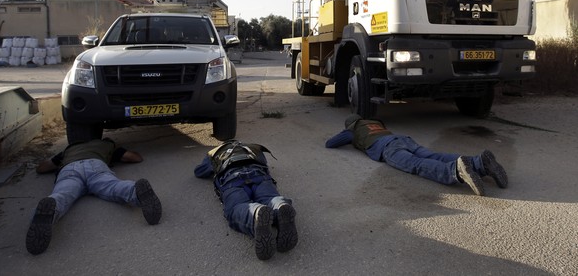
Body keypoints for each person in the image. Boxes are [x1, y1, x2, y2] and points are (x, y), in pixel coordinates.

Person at [26, 138, 162, 255]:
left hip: (69, 167)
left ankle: (50, 208)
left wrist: (56, 161)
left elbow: (42, 168)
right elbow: (134, 158)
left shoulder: (69, 150)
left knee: (62, 194)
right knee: (112, 186)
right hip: (95, 165)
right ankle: (135, 191)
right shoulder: (106, 145)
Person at [325, 114, 508, 196]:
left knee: (416, 164)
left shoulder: (352, 129)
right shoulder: (373, 123)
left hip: (388, 148)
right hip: (403, 139)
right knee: (434, 156)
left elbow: (330, 144)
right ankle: (480, 162)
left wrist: (348, 134)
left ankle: (456, 172)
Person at [194, 139, 298, 261]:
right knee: (269, 198)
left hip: (232, 179)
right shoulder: (253, 147)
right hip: (259, 176)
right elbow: (263, 162)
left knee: (236, 207)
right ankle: (280, 205)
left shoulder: (215, 152)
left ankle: (254, 214)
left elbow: (199, 172)